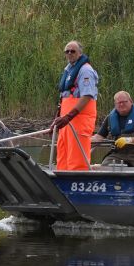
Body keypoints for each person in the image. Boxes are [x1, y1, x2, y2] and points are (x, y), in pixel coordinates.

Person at [51, 41, 98, 170]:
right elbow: (63, 98)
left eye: (73, 51)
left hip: (79, 120)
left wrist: (68, 117)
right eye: (67, 51)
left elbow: (87, 96)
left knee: (77, 157)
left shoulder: (85, 70)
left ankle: (79, 179)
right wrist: (56, 120)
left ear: (80, 53)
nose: (70, 53)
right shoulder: (68, 70)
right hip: (66, 122)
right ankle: (62, 179)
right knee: (63, 155)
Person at [91, 91, 134, 167]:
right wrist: (87, 140)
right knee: (105, 167)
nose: (121, 104)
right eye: (119, 102)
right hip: (117, 154)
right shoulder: (110, 118)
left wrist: (129, 140)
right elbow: (99, 137)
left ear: (131, 101)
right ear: (115, 104)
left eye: (124, 102)